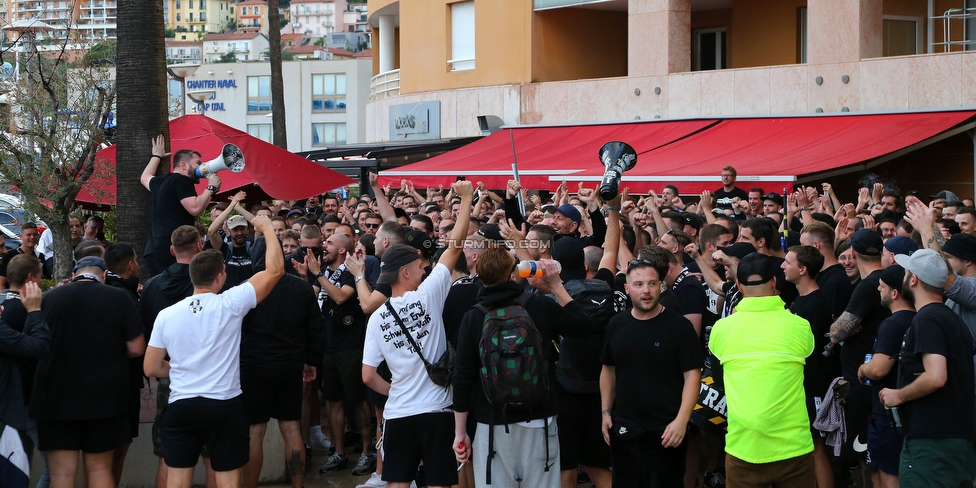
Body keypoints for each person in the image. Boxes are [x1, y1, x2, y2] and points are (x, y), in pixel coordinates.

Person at [144, 215, 284, 488]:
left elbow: (151, 368)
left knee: (177, 478)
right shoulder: (230, 303)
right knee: (228, 480)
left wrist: (178, 369)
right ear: (220, 277)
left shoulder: (166, 314)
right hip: (223, 405)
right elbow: (275, 271)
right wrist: (267, 229)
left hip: (181, 405)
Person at [361, 181, 474, 488]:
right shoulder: (428, 294)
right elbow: (456, 245)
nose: (426, 270)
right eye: (419, 266)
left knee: (397, 483)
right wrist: (465, 200)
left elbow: (368, 376)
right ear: (406, 273)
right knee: (440, 483)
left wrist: (396, 391)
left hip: (398, 414)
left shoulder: (377, 317)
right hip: (437, 410)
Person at [31, 256, 146, 488]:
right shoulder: (119, 298)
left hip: (56, 396)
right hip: (105, 395)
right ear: (103, 276)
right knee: (100, 468)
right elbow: (136, 348)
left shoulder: (49, 298)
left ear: (74, 275)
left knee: (61, 474)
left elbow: (33, 344)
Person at [709, 252, 815, 487]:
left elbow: (719, 379)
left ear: (738, 285)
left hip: (743, 446)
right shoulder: (800, 326)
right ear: (775, 282)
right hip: (794, 448)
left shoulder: (721, 329)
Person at [599, 258, 702, 487]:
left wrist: (681, 421)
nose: (646, 291)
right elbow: (608, 369)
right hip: (625, 430)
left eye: (652, 283)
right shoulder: (616, 325)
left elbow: (692, 376)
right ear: (627, 289)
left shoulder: (679, 327)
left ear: (660, 286)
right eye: (638, 285)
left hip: (667, 433)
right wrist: (606, 411)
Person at [879, 250, 976, 488]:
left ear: (913, 280)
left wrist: (898, 395)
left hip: (933, 444)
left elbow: (936, 376)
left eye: (906, 272)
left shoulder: (928, 319)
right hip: (954, 442)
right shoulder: (950, 319)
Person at [240, 237, 324, 488]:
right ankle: (298, 485)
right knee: (291, 429)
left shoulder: (248, 287)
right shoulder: (302, 289)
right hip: (290, 366)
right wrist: (311, 362)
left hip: (254, 367)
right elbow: (316, 331)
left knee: (254, 432)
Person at [139, 225, 210, 488]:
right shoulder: (210, 285)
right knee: (213, 457)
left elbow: (146, 332)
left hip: (170, 376)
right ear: (200, 247)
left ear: (171, 250)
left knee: (168, 456)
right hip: (209, 378)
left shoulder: (152, 286)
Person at [857, 265, 914, 488]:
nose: (878, 289)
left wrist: (863, 369)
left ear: (895, 293)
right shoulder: (918, 318)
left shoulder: (893, 324)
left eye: (882, 287)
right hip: (905, 412)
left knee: (886, 475)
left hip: (887, 415)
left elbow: (879, 369)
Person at [141, 134, 222, 276]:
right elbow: (195, 208)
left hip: (155, 250)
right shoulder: (182, 181)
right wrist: (211, 188)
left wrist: (156, 156)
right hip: (175, 252)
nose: (201, 167)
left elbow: (144, 177)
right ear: (183, 165)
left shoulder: (161, 182)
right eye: (198, 163)